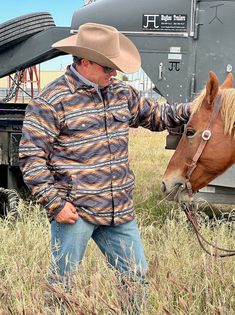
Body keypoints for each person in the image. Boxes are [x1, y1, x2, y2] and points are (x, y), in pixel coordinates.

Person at [19, 23, 191, 313]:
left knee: (135, 276)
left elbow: (158, 115)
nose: (114, 74)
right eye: (107, 68)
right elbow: (31, 157)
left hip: (119, 210)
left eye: (115, 69)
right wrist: (55, 203)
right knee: (63, 282)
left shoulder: (122, 93)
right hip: (76, 211)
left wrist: (198, 108)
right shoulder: (51, 101)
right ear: (84, 62)